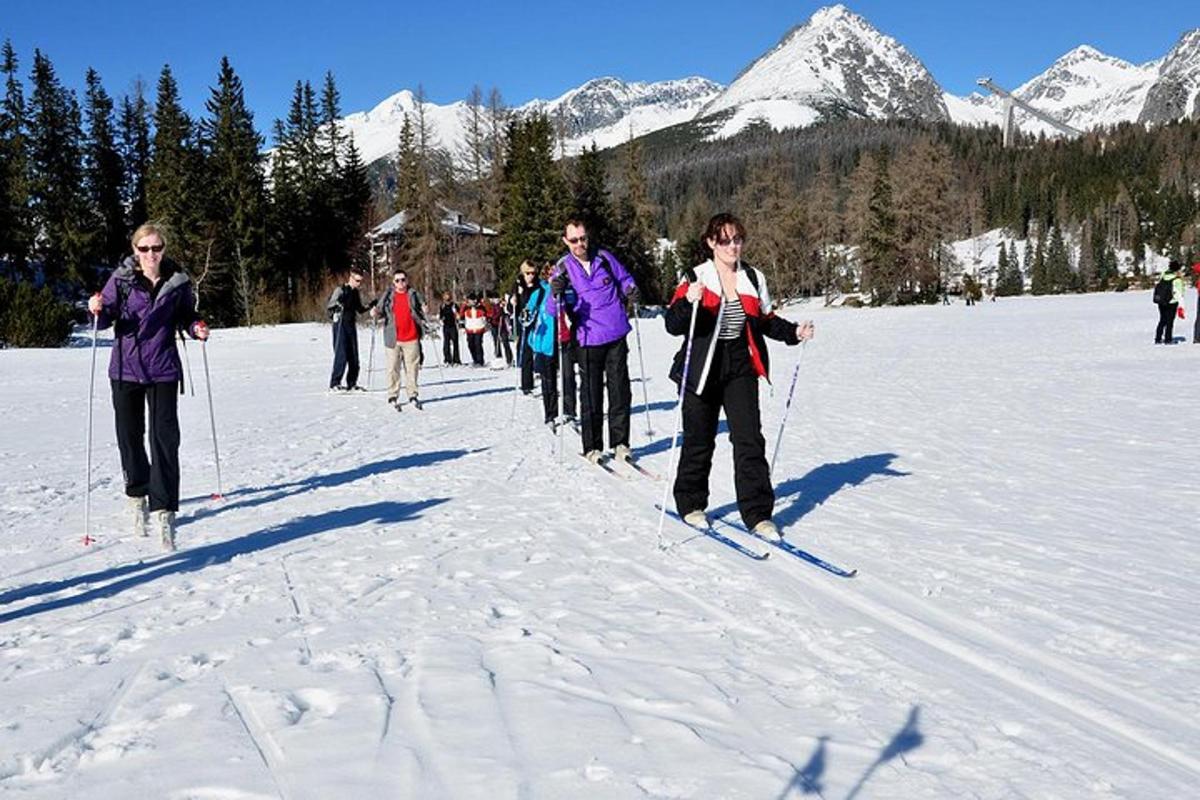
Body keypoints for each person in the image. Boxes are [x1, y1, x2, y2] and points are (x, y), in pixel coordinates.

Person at [664, 212, 814, 543]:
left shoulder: (752, 277)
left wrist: (793, 332)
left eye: (738, 239)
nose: (733, 246)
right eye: (725, 240)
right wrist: (689, 302)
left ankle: (758, 514)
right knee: (699, 438)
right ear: (710, 243)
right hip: (703, 364)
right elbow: (672, 324)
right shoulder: (695, 277)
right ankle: (690, 503)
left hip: (739, 365)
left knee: (749, 438)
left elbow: (764, 320)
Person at [87, 222, 209, 550]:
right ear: (135, 251)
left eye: (156, 248)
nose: (151, 254)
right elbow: (106, 315)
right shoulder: (121, 280)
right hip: (126, 369)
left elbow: (186, 314)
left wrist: (195, 325)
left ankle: (165, 510)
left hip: (163, 369)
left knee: (165, 439)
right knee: (130, 437)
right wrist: (97, 308)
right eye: (144, 249)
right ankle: (137, 495)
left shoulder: (178, 281)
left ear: (164, 249)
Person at [547, 219, 638, 463]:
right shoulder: (563, 269)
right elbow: (551, 310)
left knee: (620, 389)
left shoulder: (604, 258)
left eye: (583, 238)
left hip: (616, 331)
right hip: (587, 337)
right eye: (574, 240)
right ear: (566, 241)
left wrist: (630, 288)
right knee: (591, 392)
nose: (580, 244)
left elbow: (625, 277)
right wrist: (555, 291)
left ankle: (621, 443)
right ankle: (592, 446)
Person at [525, 268, 577, 427]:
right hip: (546, 342)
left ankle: (570, 411)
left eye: (558, 275)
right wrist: (524, 315)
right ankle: (550, 414)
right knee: (548, 379)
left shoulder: (569, 290)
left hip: (566, 339)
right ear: (546, 277)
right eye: (551, 275)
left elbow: (578, 308)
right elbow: (527, 313)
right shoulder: (540, 293)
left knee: (568, 377)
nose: (555, 278)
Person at [372, 269, 427, 411]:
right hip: (393, 338)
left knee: (412, 368)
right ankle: (392, 395)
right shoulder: (389, 295)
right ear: (393, 282)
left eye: (403, 280)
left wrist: (424, 308)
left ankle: (412, 395)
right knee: (392, 368)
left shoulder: (413, 294)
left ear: (407, 281)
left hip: (411, 337)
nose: (400, 283)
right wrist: (375, 312)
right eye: (397, 280)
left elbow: (422, 306)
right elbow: (380, 310)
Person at [326, 267, 374, 389]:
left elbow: (360, 309)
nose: (359, 284)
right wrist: (337, 306)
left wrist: (371, 305)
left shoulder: (355, 293)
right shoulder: (340, 290)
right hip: (340, 325)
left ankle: (352, 383)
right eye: (357, 281)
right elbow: (330, 305)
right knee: (341, 355)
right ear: (351, 277)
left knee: (354, 356)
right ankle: (335, 383)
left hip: (351, 326)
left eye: (360, 281)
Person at [512, 261, 541, 393]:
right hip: (523, 322)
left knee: (540, 350)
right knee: (526, 352)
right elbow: (511, 308)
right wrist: (512, 302)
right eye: (528, 273)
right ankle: (527, 384)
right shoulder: (517, 285)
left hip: (537, 320)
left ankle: (541, 374)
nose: (531, 276)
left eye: (533, 273)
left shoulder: (538, 286)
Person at [1153, 261, 1185, 345]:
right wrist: (1181, 306)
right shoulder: (1177, 279)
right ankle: (1168, 339)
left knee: (1162, 320)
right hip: (1172, 302)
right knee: (1170, 321)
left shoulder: (1163, 275)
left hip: (1162, 300)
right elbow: (1179, 293)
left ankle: (1158, 338)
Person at [461, 293, 488, 366]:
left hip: (479, 328)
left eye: (474, 300)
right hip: (469, 329)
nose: (472, 302)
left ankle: (480, 361)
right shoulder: (466, 307)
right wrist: (464, 305)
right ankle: (475, 359)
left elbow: (486, 314)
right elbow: (461, 315)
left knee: (478, 345)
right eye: (471, 300)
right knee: (470, 345)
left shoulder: (481, 307)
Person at [438, 292, 462, 365]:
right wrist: (441, 319)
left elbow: (459, 315)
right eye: (445, 298)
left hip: (453, 326)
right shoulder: (442, 306)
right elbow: (441, 316)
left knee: (455, 343)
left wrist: (457, 315)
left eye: (448, 298)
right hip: (446, 326)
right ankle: (447, 359)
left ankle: (456, 360)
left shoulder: (454, 305)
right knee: (446, 344)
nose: (447, 300)